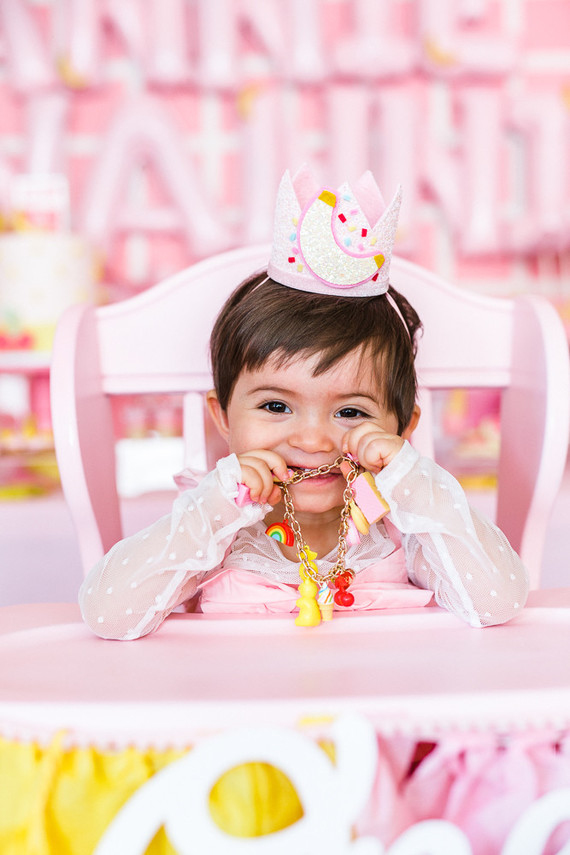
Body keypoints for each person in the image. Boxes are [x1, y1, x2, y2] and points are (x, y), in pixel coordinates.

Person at [80, 169, 529, 641]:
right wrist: (217, 506)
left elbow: (498, 603)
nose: (313, 440)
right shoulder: (215, 529)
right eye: (276, 407)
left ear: (402, 432)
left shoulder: (405, 531)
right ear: (222, 417)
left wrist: (411, 479)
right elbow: (108, 616)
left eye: (351, 412)